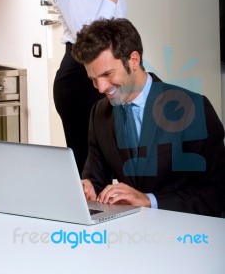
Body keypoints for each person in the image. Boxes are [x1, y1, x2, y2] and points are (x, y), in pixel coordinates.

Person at [72, 17, 225, 217]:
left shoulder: (193, 108)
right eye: (94, 79)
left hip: (187, 232)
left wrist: (148, 201)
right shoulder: (100, 114)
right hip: (132, 232)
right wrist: (88, 189)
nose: (101, 88)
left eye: (108, 74)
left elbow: (219, 192)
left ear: (133, 60)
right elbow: (96, 180)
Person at [48, 0, 129, 175]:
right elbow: (88, 38)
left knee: (118, 160)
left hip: (111, 73)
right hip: (80, 76)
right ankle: (84, 219)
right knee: (89, 168)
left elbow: (118, 24)